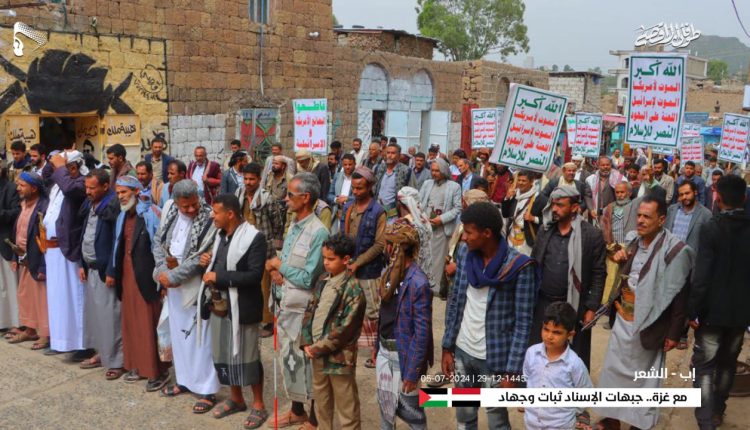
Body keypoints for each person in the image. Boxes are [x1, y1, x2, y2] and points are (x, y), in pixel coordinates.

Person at [594, 196, 691, 430]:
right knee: (613, 371)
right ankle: (611, 418)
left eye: (647, 217)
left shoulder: (676, 250)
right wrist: (618, 259)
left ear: (661, 220)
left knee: (644, 380)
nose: (640, 220)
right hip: (623, 320)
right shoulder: (634, 242)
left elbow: (679, 295)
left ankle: (639, 423)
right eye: (639, 215)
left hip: (651, 324)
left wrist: (674, 333)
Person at [442, 202, 539, 430]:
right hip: (463, 351)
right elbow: (456, 301)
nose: (463, 238)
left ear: (487, 233)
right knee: (465, 417)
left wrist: (512, 372)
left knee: (497, 421)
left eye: (468, 232)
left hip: (495, 359)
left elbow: (524, 324)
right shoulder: (465, 253)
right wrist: (447, 347)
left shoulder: (520, 267)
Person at [196, 194, 269, 428]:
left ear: (230, 214)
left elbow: (254, 275)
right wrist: (209, 262)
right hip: (221, 306)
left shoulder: (255, 238)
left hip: (244, 306)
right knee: (225, 353)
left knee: (249, 356)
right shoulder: (219, 236)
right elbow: (219, 264)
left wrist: (219, 276)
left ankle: (258, 404)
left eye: (216, 212)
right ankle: (236, 399)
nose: (212, 216)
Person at [265, 172, 329, 429]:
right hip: (285, 304)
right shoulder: (294, 224)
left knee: (308, 363)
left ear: (306, 198)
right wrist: (276, 271)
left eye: (290, 194)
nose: (286, 198)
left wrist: (280, 266)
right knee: (289, 360)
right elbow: (288, 263)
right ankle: (296, 410)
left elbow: (307, 278)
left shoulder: (319, 232)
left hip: (304, 310)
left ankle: (314, 420)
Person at [688, 175, 750, 430]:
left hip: (712, 313)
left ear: (719, 198)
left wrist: (693, 311)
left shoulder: (711, 228)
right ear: (744, 199)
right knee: (727, 364)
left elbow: (701, 276)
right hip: (740, 315)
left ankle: (705, 420)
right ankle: (716, 411)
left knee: (704, 367)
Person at [152, 179, 219, 413]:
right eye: (185, 207)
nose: (191, 210)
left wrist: (173, 276)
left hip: (195, 286)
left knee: (200, 336)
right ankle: (184, 380)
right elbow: (158, 242)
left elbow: (202, 255)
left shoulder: (209, 216)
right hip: (171, 282)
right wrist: (162, 271)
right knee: (179, 336)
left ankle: (207, 389)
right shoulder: (170, 208)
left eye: (193, 205)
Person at [531, 187, 606, 370]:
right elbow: (534, 264)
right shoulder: (545, 230)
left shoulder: (591, 235)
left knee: (573, 355)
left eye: (560, 205)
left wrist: (591, 308)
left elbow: (598, 273)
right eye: (553, 204)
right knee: (540, 350)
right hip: (543, 302)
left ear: (574, 207)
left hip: (574, 305)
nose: (554, 209)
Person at [108, 175, 169, 391]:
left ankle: (156, 371)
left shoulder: (152, 214)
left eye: (124, 192)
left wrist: (163, 279)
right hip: (127, 275)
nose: (121, 197)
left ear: (136, 191)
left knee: (147, 323)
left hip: (146, 278)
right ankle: (135, 365)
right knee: (131, 322)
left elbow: (160, 248)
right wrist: (112, 272)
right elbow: (117, 246)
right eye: (118, 193)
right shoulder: (122, 216)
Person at [300, 233, 366, 430]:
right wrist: (306, 341)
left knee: (347, 406)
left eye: (331, 259)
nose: (326, 263)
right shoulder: (322, 280)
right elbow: (310, 311)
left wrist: (318, 347)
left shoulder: (354, 290)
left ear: (346, 260)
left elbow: (344, 330)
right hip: (316, 353)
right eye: (324, 258)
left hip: (339, 358)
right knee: (321, 402)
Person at [377, 221, 432, 430]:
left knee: (412, 414)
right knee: (386, 410)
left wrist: (412, 371)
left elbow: (422, 332)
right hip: (385, 352)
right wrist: (377, 348)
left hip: (404, 358)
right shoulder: (389, 273)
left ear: (397, 247)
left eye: (388, 243)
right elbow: (384, 315)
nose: (385, 248)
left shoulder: (418, 282)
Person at [43, 150, 92, 360]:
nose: (66, 170)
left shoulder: (81, 183)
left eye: (70, 167)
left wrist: (61, 166)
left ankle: (82, 345)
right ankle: (61, 340)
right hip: (53, 250)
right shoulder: (59, 182)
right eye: (64, 167)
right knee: (57, 299)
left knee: (74, 299)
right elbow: (44, 177)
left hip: (69, 250)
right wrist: (53, 161)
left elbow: (70, 188)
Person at [78, 169, 124, 379]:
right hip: (91, 268)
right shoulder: (91, 203)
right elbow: (85, 233)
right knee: (96, 316)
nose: (88, 191)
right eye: (86, 187)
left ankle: (116, 361)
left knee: (111, 318)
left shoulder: (112, 205)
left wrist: (112, 270)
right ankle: (101, 353)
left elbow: (117, 241)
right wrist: (81, 263)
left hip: (106, 272)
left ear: (106, 187)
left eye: (92, 188)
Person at [339, 166, 386, 369]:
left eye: (360, 188)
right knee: (350, 309)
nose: (356, 192)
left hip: (369, 270)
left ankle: (376, 353)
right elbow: (343, 235)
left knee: (373, 312)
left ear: (369, 187)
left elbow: (380, 244)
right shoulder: (348, 207)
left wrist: (358, 262)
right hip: (349, 268)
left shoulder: (378, 211)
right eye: (354, 188)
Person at [524, 302, 593, 430]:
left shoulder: (574, 364)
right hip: (532, 423)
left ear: (570, 334)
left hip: (561, 425)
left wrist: (570, 412)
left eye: (557, 332)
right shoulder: (531, 353)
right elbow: (528, 378)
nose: (549, 336)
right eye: (546, 329)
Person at [235, 163, 284, 338]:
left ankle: (267, 321)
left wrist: (272, 244)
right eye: (245, 178)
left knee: (265, 286)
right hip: (242, 246)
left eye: (251, 179)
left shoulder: (267, 198)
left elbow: (277, 223)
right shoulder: (238, 194)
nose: (248, 182)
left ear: (258, 179)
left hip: (263, 247)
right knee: (247, 283)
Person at [7, 172, 48, 350]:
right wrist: (16, 255)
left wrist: (40, 264)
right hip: (23, 256)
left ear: (34, 188)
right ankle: (30, 329)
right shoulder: (23, 204)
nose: (18, 188)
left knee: (41, 298)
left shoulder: (43, 206)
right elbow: (18, 231)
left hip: (37, 257)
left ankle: (46, 335)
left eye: (22, 185)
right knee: (25, 295)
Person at [418, 158, 462, 294]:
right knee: (424, 257)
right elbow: (419, 202)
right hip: (426, 227)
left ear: (444, 171)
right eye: (433, 170)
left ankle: (435, 289)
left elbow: (457, 208)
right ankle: (422, 285)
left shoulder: (454, 186)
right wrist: (423, 217)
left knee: (437, 260)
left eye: (437, 171)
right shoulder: (427, 184)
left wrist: (441, 219)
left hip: (442, 229)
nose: (434, 173)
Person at [599, 182, 638, 307]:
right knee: (610, 279)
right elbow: (603, 228)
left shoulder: (635, 207)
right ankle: (607, 306)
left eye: (623, 192)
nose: (620, 195)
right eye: (617, 192)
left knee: (624, 281)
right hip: (612, 249)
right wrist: (610, 246)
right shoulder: (609, 208)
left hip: (629, 249)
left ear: (629, 193)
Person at [0, 162, 20, 332]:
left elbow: (16, 212)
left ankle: (16, 322)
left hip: (5, 240)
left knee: (10, 284)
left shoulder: (11, 188)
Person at [501, 170, 539, 256]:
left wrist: (534, 219)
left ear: (531, 182)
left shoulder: (539, 198)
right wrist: (507, 198)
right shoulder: (514, 195)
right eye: (519, 180)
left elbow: (548, 220)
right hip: (511, 237)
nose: (521, 183)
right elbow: (505, 214)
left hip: (527, 240)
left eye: (524, 181)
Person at [374, 143, 415, 221]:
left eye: (393, 153)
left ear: (399, 156)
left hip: (394, 215)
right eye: (388, 153)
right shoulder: (379, 168)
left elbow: (411, 194)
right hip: (377, 213)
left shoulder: (406, 171)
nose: (389, 155)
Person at [585, 156, 625, 223]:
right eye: (603, 165)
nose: (605, 167)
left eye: (607, 165)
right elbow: (588, 196)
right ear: (598, 166)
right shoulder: (591, 179)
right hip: (595, 214)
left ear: (611, 165)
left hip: (612, 214)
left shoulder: (619, 179)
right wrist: (591, 209)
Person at [327, 153, 356, 231]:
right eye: (345, 164)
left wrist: (347, 199)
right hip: (337, 211)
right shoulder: (337, 176)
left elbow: (360, 197)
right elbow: (329, 194)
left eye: (350, 164)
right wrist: (336, 199)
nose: (347, 167)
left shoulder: (358, 177)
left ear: (354, 164)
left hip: (351, 213)